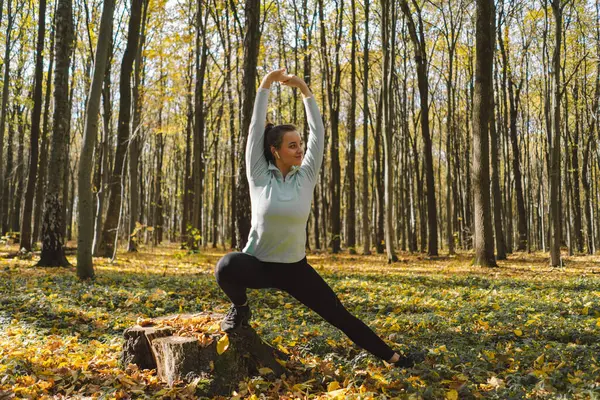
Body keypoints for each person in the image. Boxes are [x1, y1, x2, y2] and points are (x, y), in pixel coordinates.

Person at [214, 68, 424, 367]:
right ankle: (241, 307)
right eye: (292, 145)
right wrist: (264, 85)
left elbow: (319, 134)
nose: (300, 149)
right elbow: (254, 128)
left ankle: (395, 358)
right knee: (226, 265)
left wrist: (303, 88)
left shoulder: (306, 176)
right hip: (258, 265)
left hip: (295, 269)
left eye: (300, 144)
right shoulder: (259, 176)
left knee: (339, 315)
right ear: (275, 151)